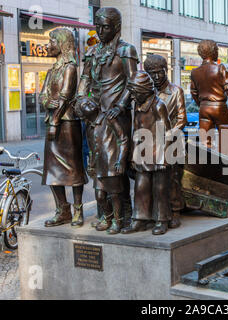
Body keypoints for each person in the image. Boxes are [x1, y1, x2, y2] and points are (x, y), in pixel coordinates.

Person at [76, 7, 138, 233]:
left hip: (116, 117)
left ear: (117, 27)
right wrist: (82, 101)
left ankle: (125, 214)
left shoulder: (126, 51)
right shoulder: (92, 52)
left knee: (116, 168)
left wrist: (121, 104)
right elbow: (84, 82)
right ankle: (105, 214)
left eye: (105, 27)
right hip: (94, 118)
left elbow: (133, 83)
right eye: (98, 26)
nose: (100, 31)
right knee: (97, 166)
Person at [40, 28, 88, 228]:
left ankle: (77, 209)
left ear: (61, 44)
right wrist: (46, 102)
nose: (48, 46)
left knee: (73, 169)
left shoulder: (70, 68)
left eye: (51, 42)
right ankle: (62, 209)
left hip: (67, 124)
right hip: (54, 123)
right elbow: (43, 96)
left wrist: (54, 121)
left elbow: (66, 95)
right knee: (52, 171)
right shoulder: (52, 71)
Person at [121, 71, 172, 236]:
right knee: (140, 187)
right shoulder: (138, 105)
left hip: (158, 153)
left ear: (144, 91)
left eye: (135, 93)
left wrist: (164, 157)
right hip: (143, 152)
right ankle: (140, 219)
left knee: (160, 189)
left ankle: (162, 220)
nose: (133, 97)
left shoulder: (158, 105)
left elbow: (167, 132)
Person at [144, 54, 187, 229]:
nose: (155, 77)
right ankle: (155, 212)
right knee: (151, 179)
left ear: (165, 70)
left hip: (172, 141)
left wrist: (169, 135)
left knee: (172, 179)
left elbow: (182, 118)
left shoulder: (176, 91)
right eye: (151, 73)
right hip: (150, 142)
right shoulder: (147, 92)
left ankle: (175, 210)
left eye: (159, 73)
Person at [75, 100, 128, 235]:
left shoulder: (108, 118)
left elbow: (123, 139)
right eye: (85, 105)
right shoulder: (89, 126)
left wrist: (121, 160)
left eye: (90, 102)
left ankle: (118, 220)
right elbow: (92, 149)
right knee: (100, 196)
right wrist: (91, 165)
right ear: (83, 114)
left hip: (111, 163)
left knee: (114, 194)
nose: (90, 104)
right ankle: (108, 218)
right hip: (100, 166)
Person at [190, 40, 228, 148]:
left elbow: (193, 93)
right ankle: (226, 163)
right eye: (217, 50)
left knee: (206, 143)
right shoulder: (220, 68)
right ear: (213, 52)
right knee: (227, 139)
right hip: (219, 108)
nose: (218, 53)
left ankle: (208, 164)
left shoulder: (195, 72)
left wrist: (202, 105)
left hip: (204, 109)